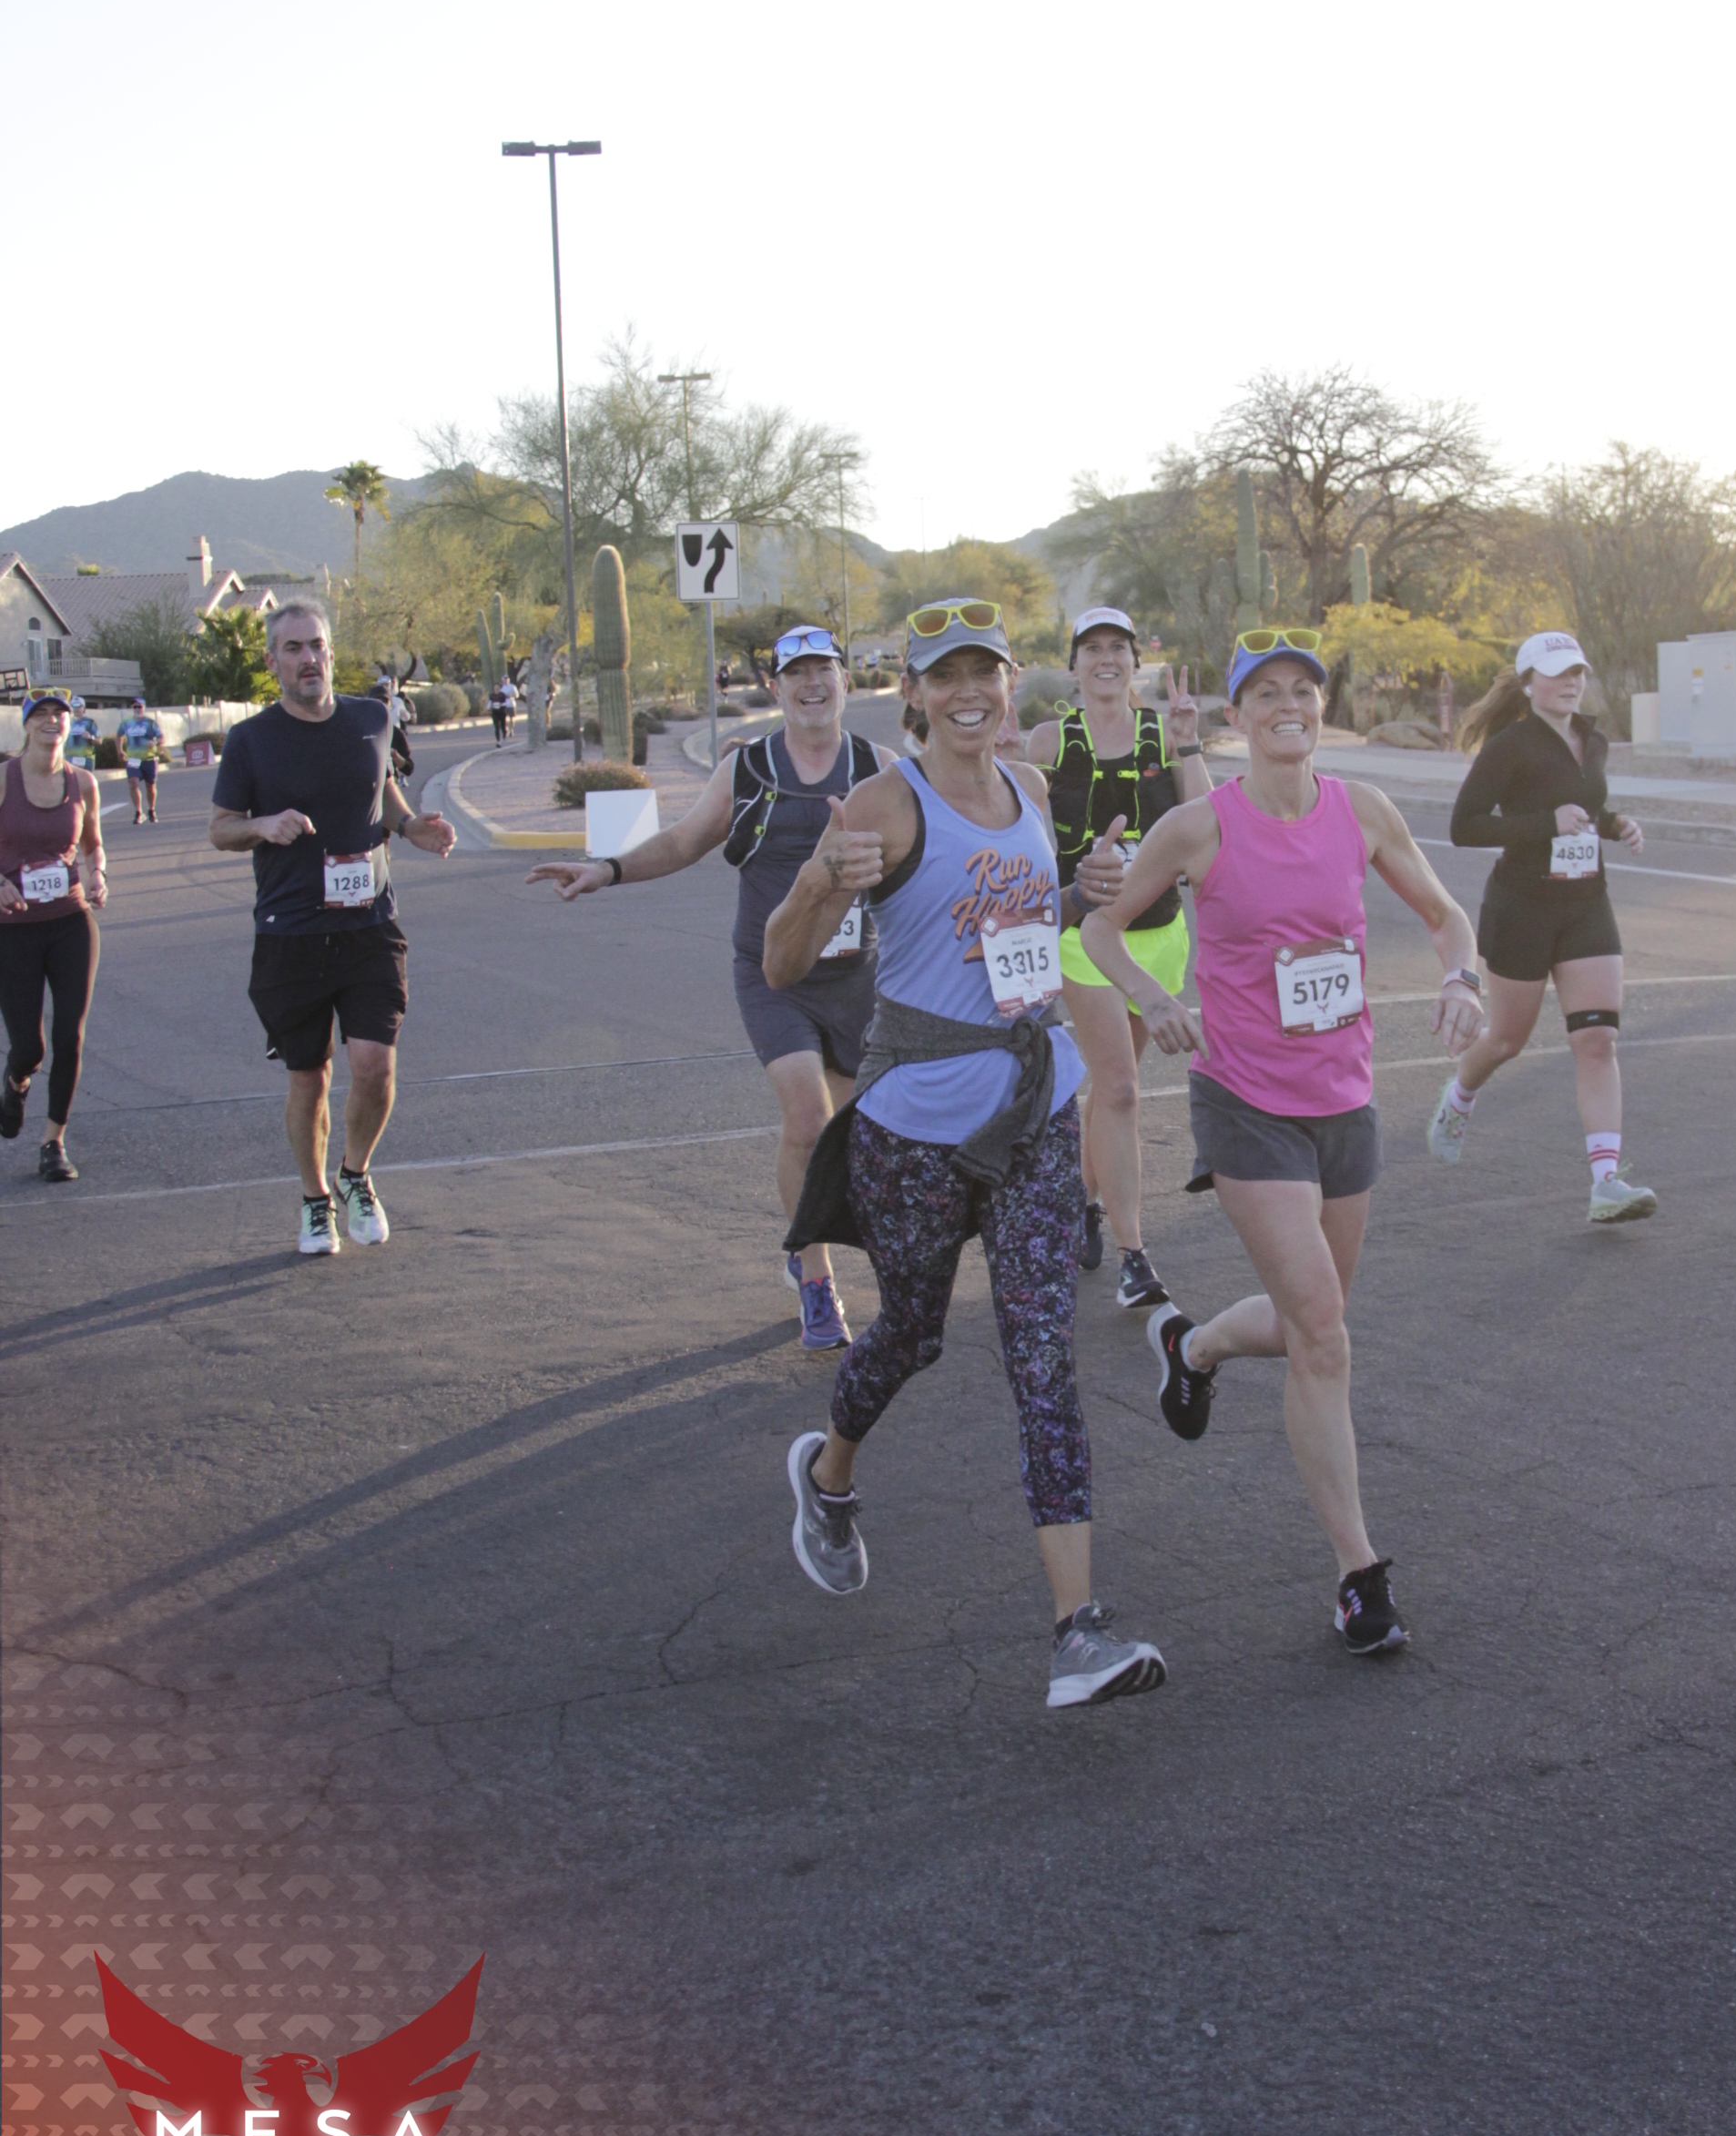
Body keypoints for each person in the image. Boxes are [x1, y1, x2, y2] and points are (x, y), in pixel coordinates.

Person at [766, 597, 1167, 1709]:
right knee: (912, 1333)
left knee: (1044, 1357)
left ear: (1009, 682)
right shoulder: (885, 806)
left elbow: (1026, 931)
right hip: (917, 1129)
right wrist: (819, 880)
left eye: (984, 672)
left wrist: (1083, 895)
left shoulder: (1030, 789)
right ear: (914, 695)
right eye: (945, 677)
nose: (969, 693)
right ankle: (829, 1475)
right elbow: (783, 966)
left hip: (1036, 1110)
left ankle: (1077, 1633)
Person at [1081, 628, 1485, 1656]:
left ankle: (1196, 1345)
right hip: (1245, 1103)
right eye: (1265, 694)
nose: (1288, 707)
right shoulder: (1198, 827)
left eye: (1302, 690)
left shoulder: (1364, 811)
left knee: (1318, 1320)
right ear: (1236, 717)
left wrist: (1461, 978)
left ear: (1320, 709)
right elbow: (1099, 930)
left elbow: (1447, 916)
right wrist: (1153, 999)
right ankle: (1358, 1575)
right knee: (1326, 1337)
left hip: (1344, 1102)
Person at [528, 624, 883, 1348]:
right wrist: (607, 870)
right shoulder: (747, 770)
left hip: (858, 978)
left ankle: (808, 1247)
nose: (812, 685)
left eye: (824, 670)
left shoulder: (880, 770)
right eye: (796, 673)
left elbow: (927, 855)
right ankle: (816, 1279)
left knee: (853, 1137)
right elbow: (685, 841)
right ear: (775, 688)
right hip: (774, 975)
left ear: (844, 681)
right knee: (807, 1120)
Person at [209, 604, 455, 1256]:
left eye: (316, 645)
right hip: (290, 932)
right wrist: (261, 826)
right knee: (310, 1078)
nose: (308, 659)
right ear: (273, 662)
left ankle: (356, 1174)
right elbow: (221, 828)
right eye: (293, 649)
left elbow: (384, 792)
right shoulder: (251, 739)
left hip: (369, 925)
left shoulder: (371, 718)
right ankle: (315, 1200)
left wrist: (412, 827)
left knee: (374, 1066)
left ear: (330, 652)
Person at [1427, 630, 1656, 1224]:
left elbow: (1585, 808)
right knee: (1507, 1040)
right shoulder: (1510, 746)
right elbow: (1465, 826)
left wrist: (1615, 824)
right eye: (1557, 673)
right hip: (1521, 908)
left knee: (1598, 1041)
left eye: (1577, 671)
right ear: (1529, 684)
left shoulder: (1592, 740)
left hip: (1586, 905)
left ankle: (1606, 1183)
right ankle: (1459, 1097)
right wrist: (1543, 824)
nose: (1571, 682)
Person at [1027, 607, 1209, 1310]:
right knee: (1123, 1088)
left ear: (1136, 661)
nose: (1106, 659)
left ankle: (1081, 1202)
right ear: (1073, 665)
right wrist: (1005, 761)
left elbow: (1207, 823)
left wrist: (1190, 743)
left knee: (1113, 1088)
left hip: (1158, 932)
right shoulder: (1051, 739)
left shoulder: (1163, 733)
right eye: (1092, 648)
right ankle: (1136, 1256)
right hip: (1084, 935)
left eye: (1118, 648)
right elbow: (1010, 815)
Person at [0, 685, 107, 1182]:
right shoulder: (4, 779)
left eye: (59, 714)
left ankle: (53, 1143)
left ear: (70, 723)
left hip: (70, 922)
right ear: (25, 725)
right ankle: (16, 1080)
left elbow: (92, 845)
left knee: (70, 1037)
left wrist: (98, 874)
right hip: (13, 929)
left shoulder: (82, 782)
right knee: (29, 1048)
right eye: (40, 714)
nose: (51, 721)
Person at [119, 697, 164, 824]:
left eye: (140, 706)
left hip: (149, 759)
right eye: (135, 707)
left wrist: (155, 742)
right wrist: (120, 750)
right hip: (133, 759)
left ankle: (151, 810)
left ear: (144, 708)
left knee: (151, 785)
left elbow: (161, 737)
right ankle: (139, 812)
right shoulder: (126, 723)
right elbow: (119, 736)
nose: (137, 709)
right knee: (133, 783)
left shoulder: (151, 723)